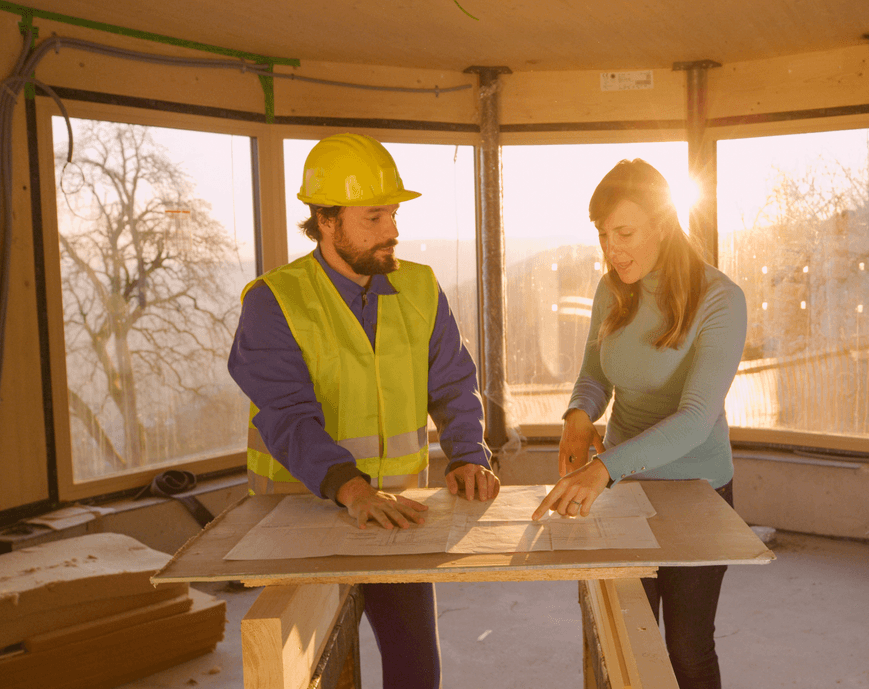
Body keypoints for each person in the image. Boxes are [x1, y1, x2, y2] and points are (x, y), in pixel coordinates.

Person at [228, 132, 499, 689]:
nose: (393, 231)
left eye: (393, 214)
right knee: (317, 672)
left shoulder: (420, 287)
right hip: (300, 519)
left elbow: (452, 382)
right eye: (374, 217)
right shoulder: (273, 301)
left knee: (417, 673)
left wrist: (468, 454)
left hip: (398, 518)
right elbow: (286, 414)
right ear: (326, 220)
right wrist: (352, 490)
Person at [532, 158, 747, 689]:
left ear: (664, 223)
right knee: (626, 637)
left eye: (623, 232)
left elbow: (696, 419)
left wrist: (603, 468)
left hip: (697, 492)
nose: (612, 249)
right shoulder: (614, 289)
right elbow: (594, 375)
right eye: (603, 235)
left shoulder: (721, 298)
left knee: (686, 648)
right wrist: (579, 418)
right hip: (623, 486)